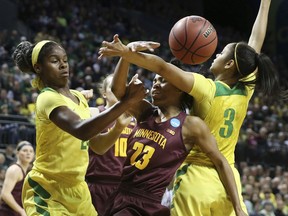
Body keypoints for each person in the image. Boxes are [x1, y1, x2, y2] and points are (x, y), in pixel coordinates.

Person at [98, 0, 285, 215]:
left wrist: (128, 54)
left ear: (229, 64)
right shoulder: (245, 90)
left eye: (222, 53)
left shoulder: (207, 88)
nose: (216, 54)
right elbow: (255, 44)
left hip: (196, 176)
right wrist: (265, 5)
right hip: (228, 178)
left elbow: (161, 66)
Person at [12, 40, 147, 215]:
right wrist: (126, 102)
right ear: (38, 68)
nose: (62, 65)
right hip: (47, 189)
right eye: (54, 61)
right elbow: (81, 130)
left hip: (78, 190)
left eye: (65, 60)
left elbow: (98, 146)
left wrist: (118, 127)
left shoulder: (79, 97)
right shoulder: (47, 98)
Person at [102, 57, 247, 216]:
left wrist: (238, 207)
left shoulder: (191, 126)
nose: (155, 84)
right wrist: (125, 56)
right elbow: (117, 91)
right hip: (121, 193)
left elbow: (220, 162)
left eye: (162, 81)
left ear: (179, 88)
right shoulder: (145, 111)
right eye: (154, 80)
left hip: (149, 201)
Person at [85, 74, 136, 216]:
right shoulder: (94, 112)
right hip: (98, 184)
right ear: (104, 93)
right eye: (114, 88)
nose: (119, 92)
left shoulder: (135, 120)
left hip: (125, 187)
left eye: (122, 89)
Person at [0, 141, 34, 216]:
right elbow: (5, 194)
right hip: (7, 212)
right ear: (17, 153)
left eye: (31, 151)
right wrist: (21, 210)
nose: (28, 153)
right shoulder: (15, 169)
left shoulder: (25, 171)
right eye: (25, 150)